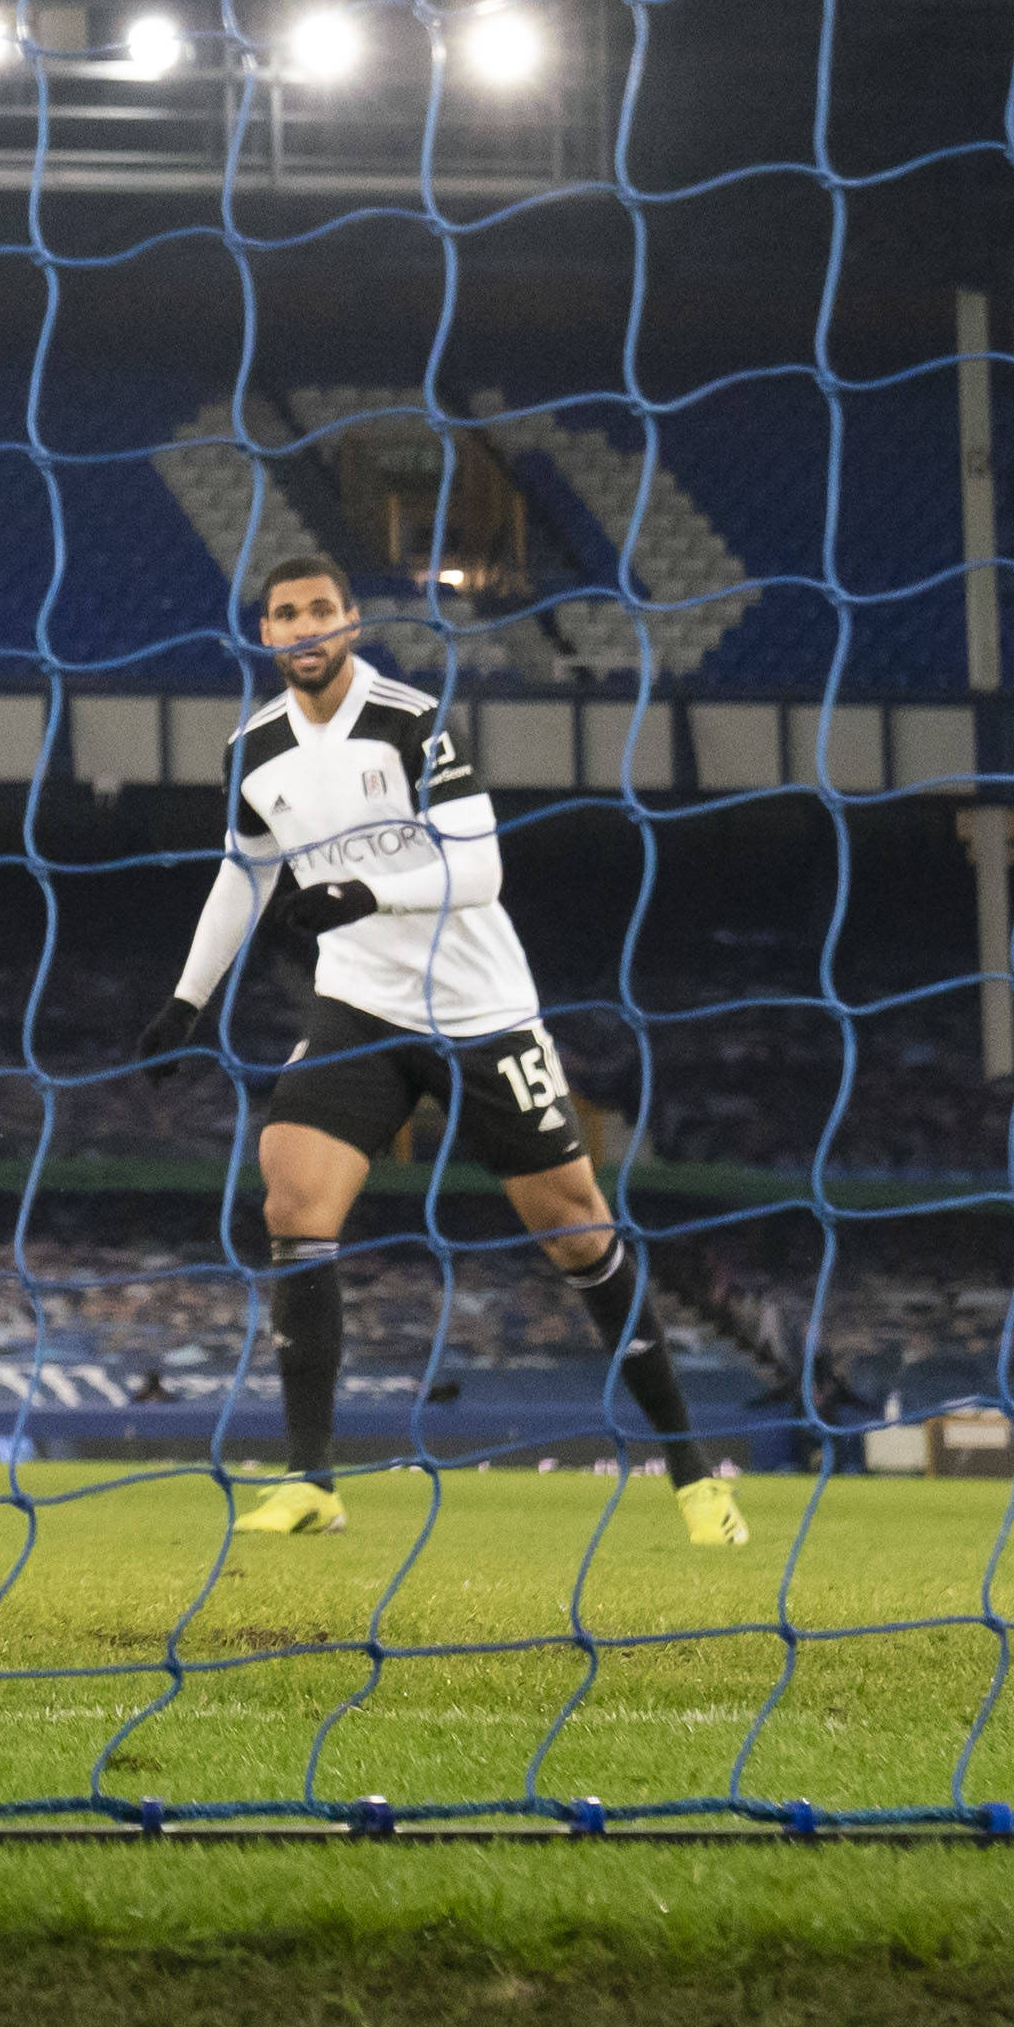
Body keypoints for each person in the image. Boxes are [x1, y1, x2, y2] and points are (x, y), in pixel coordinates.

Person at [139, 550, 743, 1545]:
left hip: (478, 1010)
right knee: (291, 1189)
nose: (303, 627)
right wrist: (185, 999)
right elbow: (242, 876)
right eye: (284, 614)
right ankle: (312, 1483)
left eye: (319, 609)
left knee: (577, 1230)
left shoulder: (411, 720)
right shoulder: (251, 750)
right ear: (266, 634)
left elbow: (482, 866)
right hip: (359, 1006)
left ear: (351, 623)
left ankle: (692, 1475)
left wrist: (364, 892)